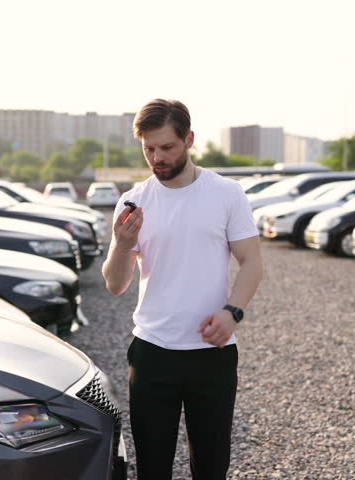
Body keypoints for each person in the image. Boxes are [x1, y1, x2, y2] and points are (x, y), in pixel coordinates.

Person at [102, 99, 263, 479]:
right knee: (152, 468)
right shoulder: (134, 201)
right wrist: (123, 245)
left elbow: (252, 263)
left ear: (189, 139)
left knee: (210, 468)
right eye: (149, 149)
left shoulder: (226, 193)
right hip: (152, 353)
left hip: (212, 354)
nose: (157, 157)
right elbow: (114, 284)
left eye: (166, 147)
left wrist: (232, 312)